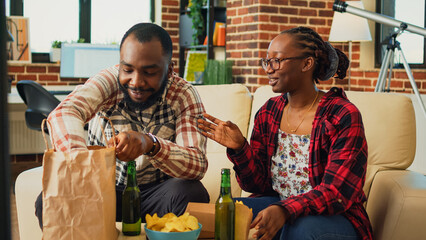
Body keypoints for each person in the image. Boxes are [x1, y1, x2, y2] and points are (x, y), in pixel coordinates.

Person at [198, 26, 373, 240]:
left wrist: (285, 210)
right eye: (266, 61)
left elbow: (337, 193)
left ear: (306, 64)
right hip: (280, 205)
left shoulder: (342, 115)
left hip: (334, 218)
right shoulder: (268, 112)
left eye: (277, 61)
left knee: (301, 228)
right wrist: (240, 148)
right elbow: (257, 185)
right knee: (228, 212)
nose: (268, 69)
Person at [35, 23, 210, 228]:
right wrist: (82, 164)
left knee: (192, 194)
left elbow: (197, 164)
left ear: (169, 70)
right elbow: (64, 112)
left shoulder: (183, 95)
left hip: (157, 193)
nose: (136, 82)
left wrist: (151, 144)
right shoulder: (109, 80)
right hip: (101, 189)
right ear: (120, 64)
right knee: (45, 203)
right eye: (128, 69)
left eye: (149, 72)